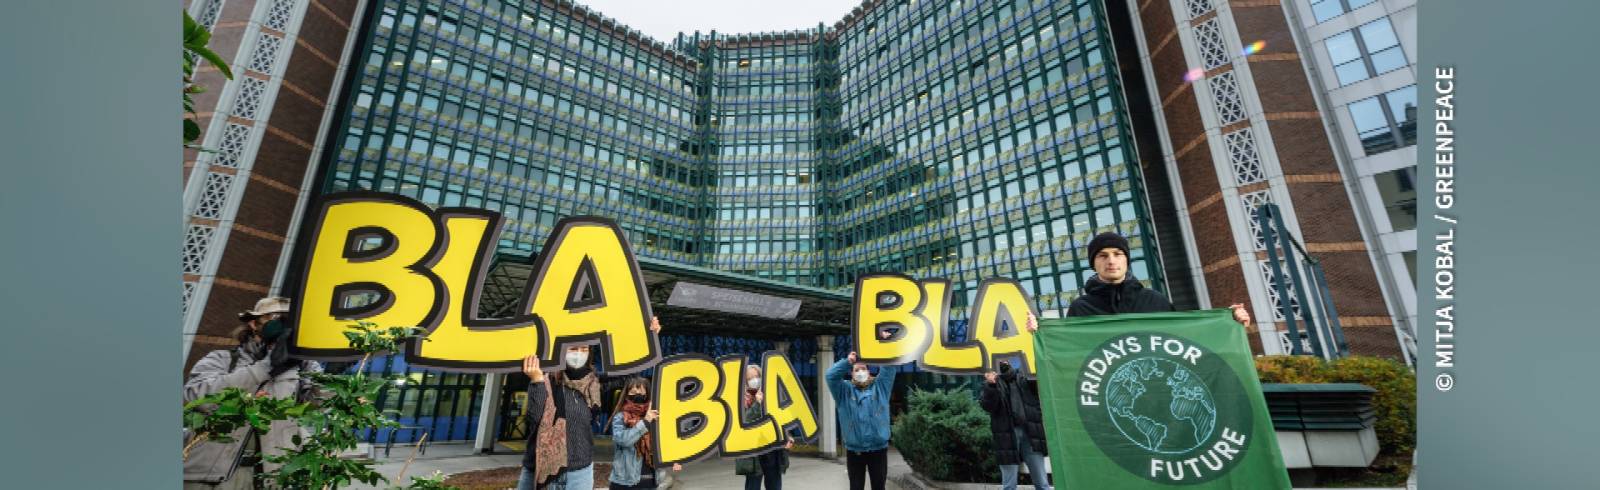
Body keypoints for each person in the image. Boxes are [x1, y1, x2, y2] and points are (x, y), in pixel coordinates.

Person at [182, 297, 321, 489]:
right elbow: (197, 398)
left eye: (287, 319)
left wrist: (332, 378)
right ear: (254, 323)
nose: (281, 325)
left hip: (266, 478)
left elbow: (316, 406)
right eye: (273, 317)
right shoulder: (223, 359)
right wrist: (265, 367)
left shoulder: (301, 367)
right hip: (208, 478)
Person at [518, 317, 662, 490]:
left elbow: (630, 373)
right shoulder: (545, 379)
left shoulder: (593, 384)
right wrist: (536, 381)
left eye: (583, 349)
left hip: (579, 473)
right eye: (573, 349)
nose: (578, 354)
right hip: (538, 470)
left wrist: (649, 338)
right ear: (562, 351)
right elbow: (534, 419)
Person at [1028, 232, 1251, 329]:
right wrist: (1041, 331)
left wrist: (1228, 320)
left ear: (1127, 260)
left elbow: (1188, 336)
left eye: (1118, 254)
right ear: (1093, 264)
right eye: (1103, 256)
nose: (1111, 261)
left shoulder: (1155, 301)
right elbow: (1066, 354)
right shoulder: (1081, 308)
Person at [826, 329, 899, 490]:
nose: (860, 372)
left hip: (878, 449)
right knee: (856, 487)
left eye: (863, 368)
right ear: (851, 373)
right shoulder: (844, 391)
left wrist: (885, 344)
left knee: (879, 486)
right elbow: (830, 376)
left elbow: (890, 367)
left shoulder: (880, 387)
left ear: (869, 370)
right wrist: (847, 361)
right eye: (856, 369)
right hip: (854, 450)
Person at [980, 360, 1051, 490]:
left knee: (1042, 483)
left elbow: (1041, 392)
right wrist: (991, 386)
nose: (1003, 363)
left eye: (1005, 360)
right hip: (1006, 435)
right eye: (1000, 361)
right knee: (1009, 485)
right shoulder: (992, 383)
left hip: (1031, 432)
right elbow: (988, 406)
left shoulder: (1025, 376)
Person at [607, 377, 681, 489]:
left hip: (650, 482)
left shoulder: (655, 417)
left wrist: (673, 460)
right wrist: (645, 422)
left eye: (641, 392)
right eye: (633, 392)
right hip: (624, 483)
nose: (637, 395)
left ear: (647, 395)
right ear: (626, 394)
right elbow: (624, 440)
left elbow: (663, 444)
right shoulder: (620, 417)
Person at [735, 364, 795, 490]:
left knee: (774, 485)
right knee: (753, 485)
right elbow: (746, 422)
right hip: (753, 452)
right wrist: (757, 403)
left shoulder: (771, 396)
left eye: (757, 376)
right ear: (745, 382)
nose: (754, 380)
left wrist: (787, 436)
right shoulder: (740, 400)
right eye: (750, 378)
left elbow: (780, 420)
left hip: (772, 450)